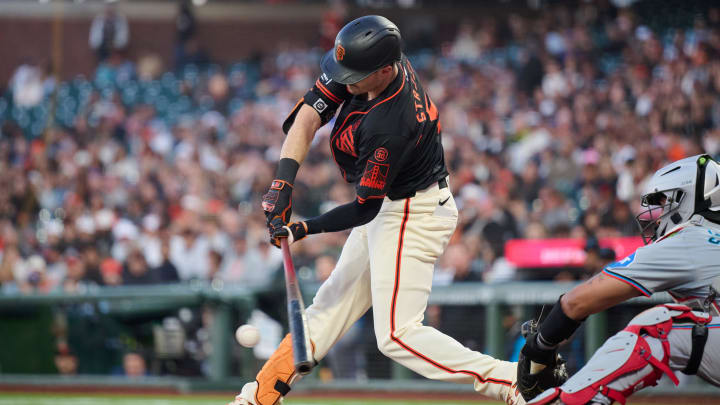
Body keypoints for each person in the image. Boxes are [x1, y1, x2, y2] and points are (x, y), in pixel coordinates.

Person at [230, 15, 523, 405]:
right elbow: (306, 118)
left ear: (385, 71)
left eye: (354, 74)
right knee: (328, 307)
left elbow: (364, 209)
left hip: (412, 212)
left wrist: (304, 229)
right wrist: (282, 183)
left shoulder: (391, 120)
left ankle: (512, 380)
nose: (344, 80)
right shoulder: (368, 64)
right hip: (393, 206)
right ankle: (259, 397)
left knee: (397, 336)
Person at [517, 154, 720, 404]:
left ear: (688, 197)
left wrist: (540, 345)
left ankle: (569, 401)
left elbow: (577, 302)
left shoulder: (689, 238)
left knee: (657, 325)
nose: (653, 212)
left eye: (664, 200)